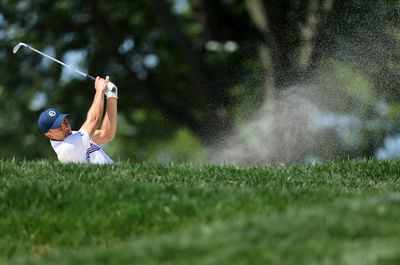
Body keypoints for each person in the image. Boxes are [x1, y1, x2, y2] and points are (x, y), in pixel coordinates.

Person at [38, 76, 118, 164]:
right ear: (49, 134)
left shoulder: (75, 135)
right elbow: (94, 120)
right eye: (58, 127)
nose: (65, 127)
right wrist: (100, 90)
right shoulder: (67, 148)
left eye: (64, 121)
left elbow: (107, 134)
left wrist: (111, 95)